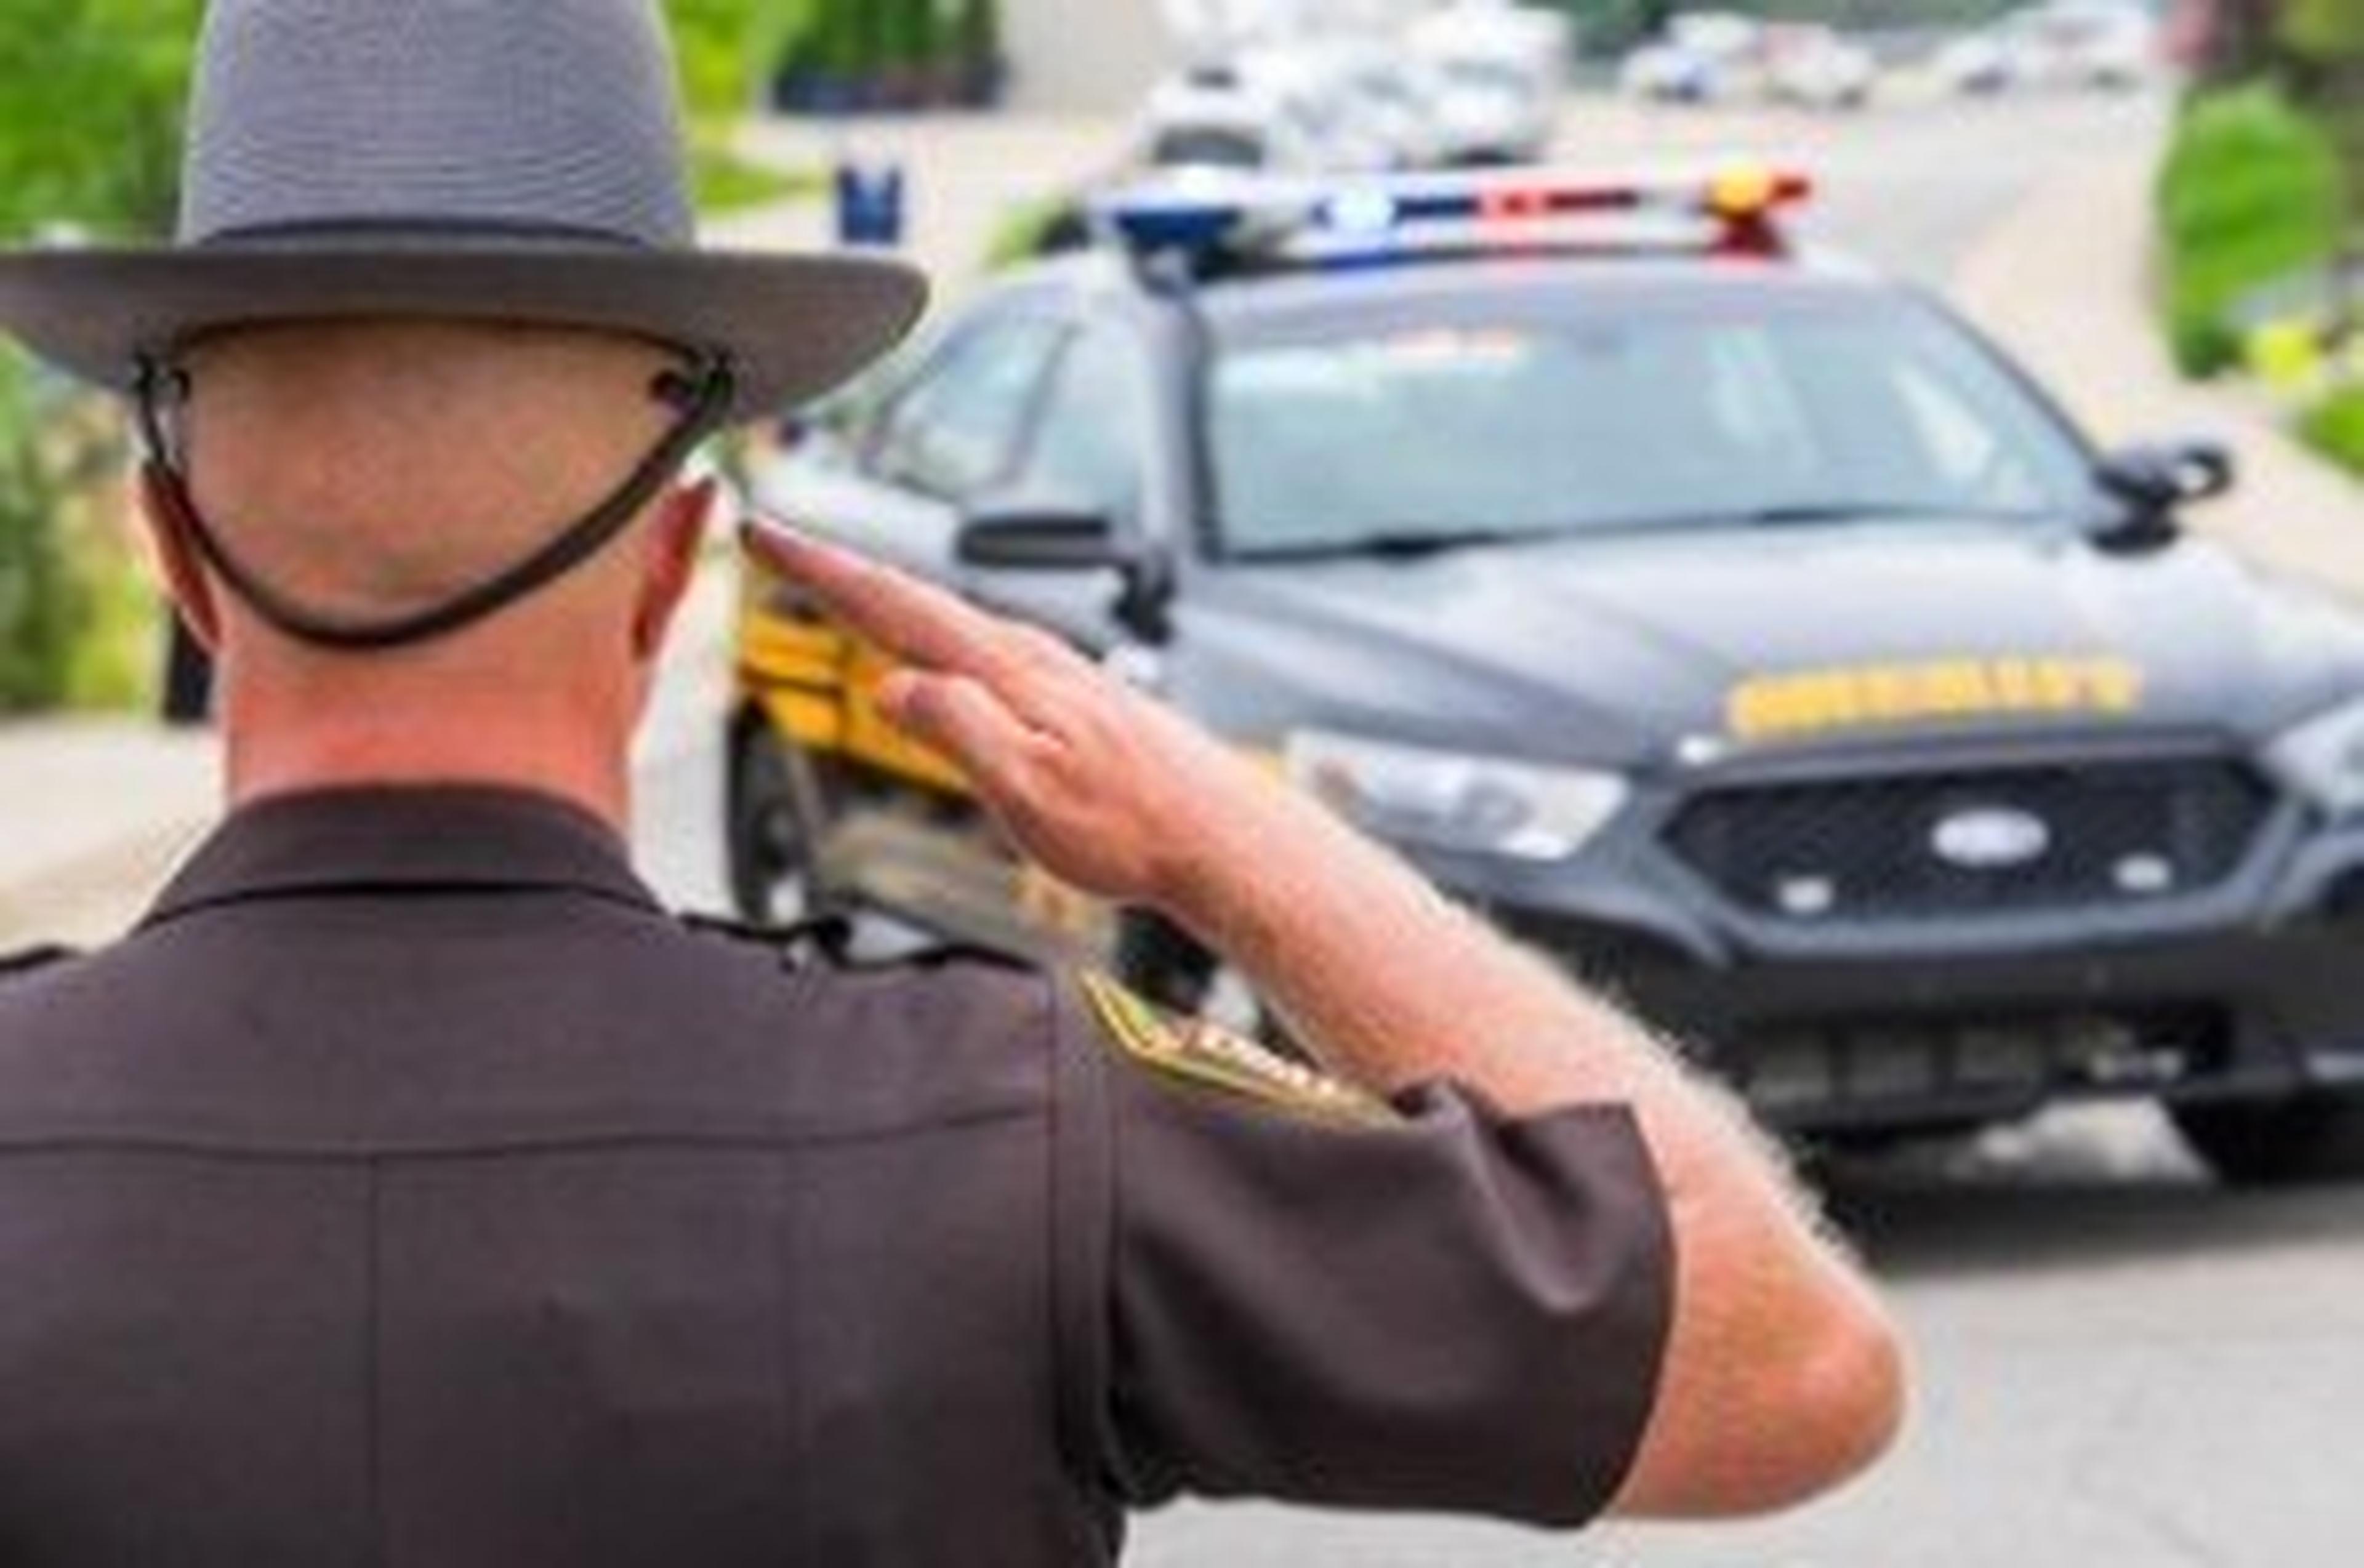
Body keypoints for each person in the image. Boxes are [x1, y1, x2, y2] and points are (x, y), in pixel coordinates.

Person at [0, 2, 1902, 1564]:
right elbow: (1784, 1359)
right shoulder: (1014, 1133)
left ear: (176, 551)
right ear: (670, 573)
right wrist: (1209, 828)